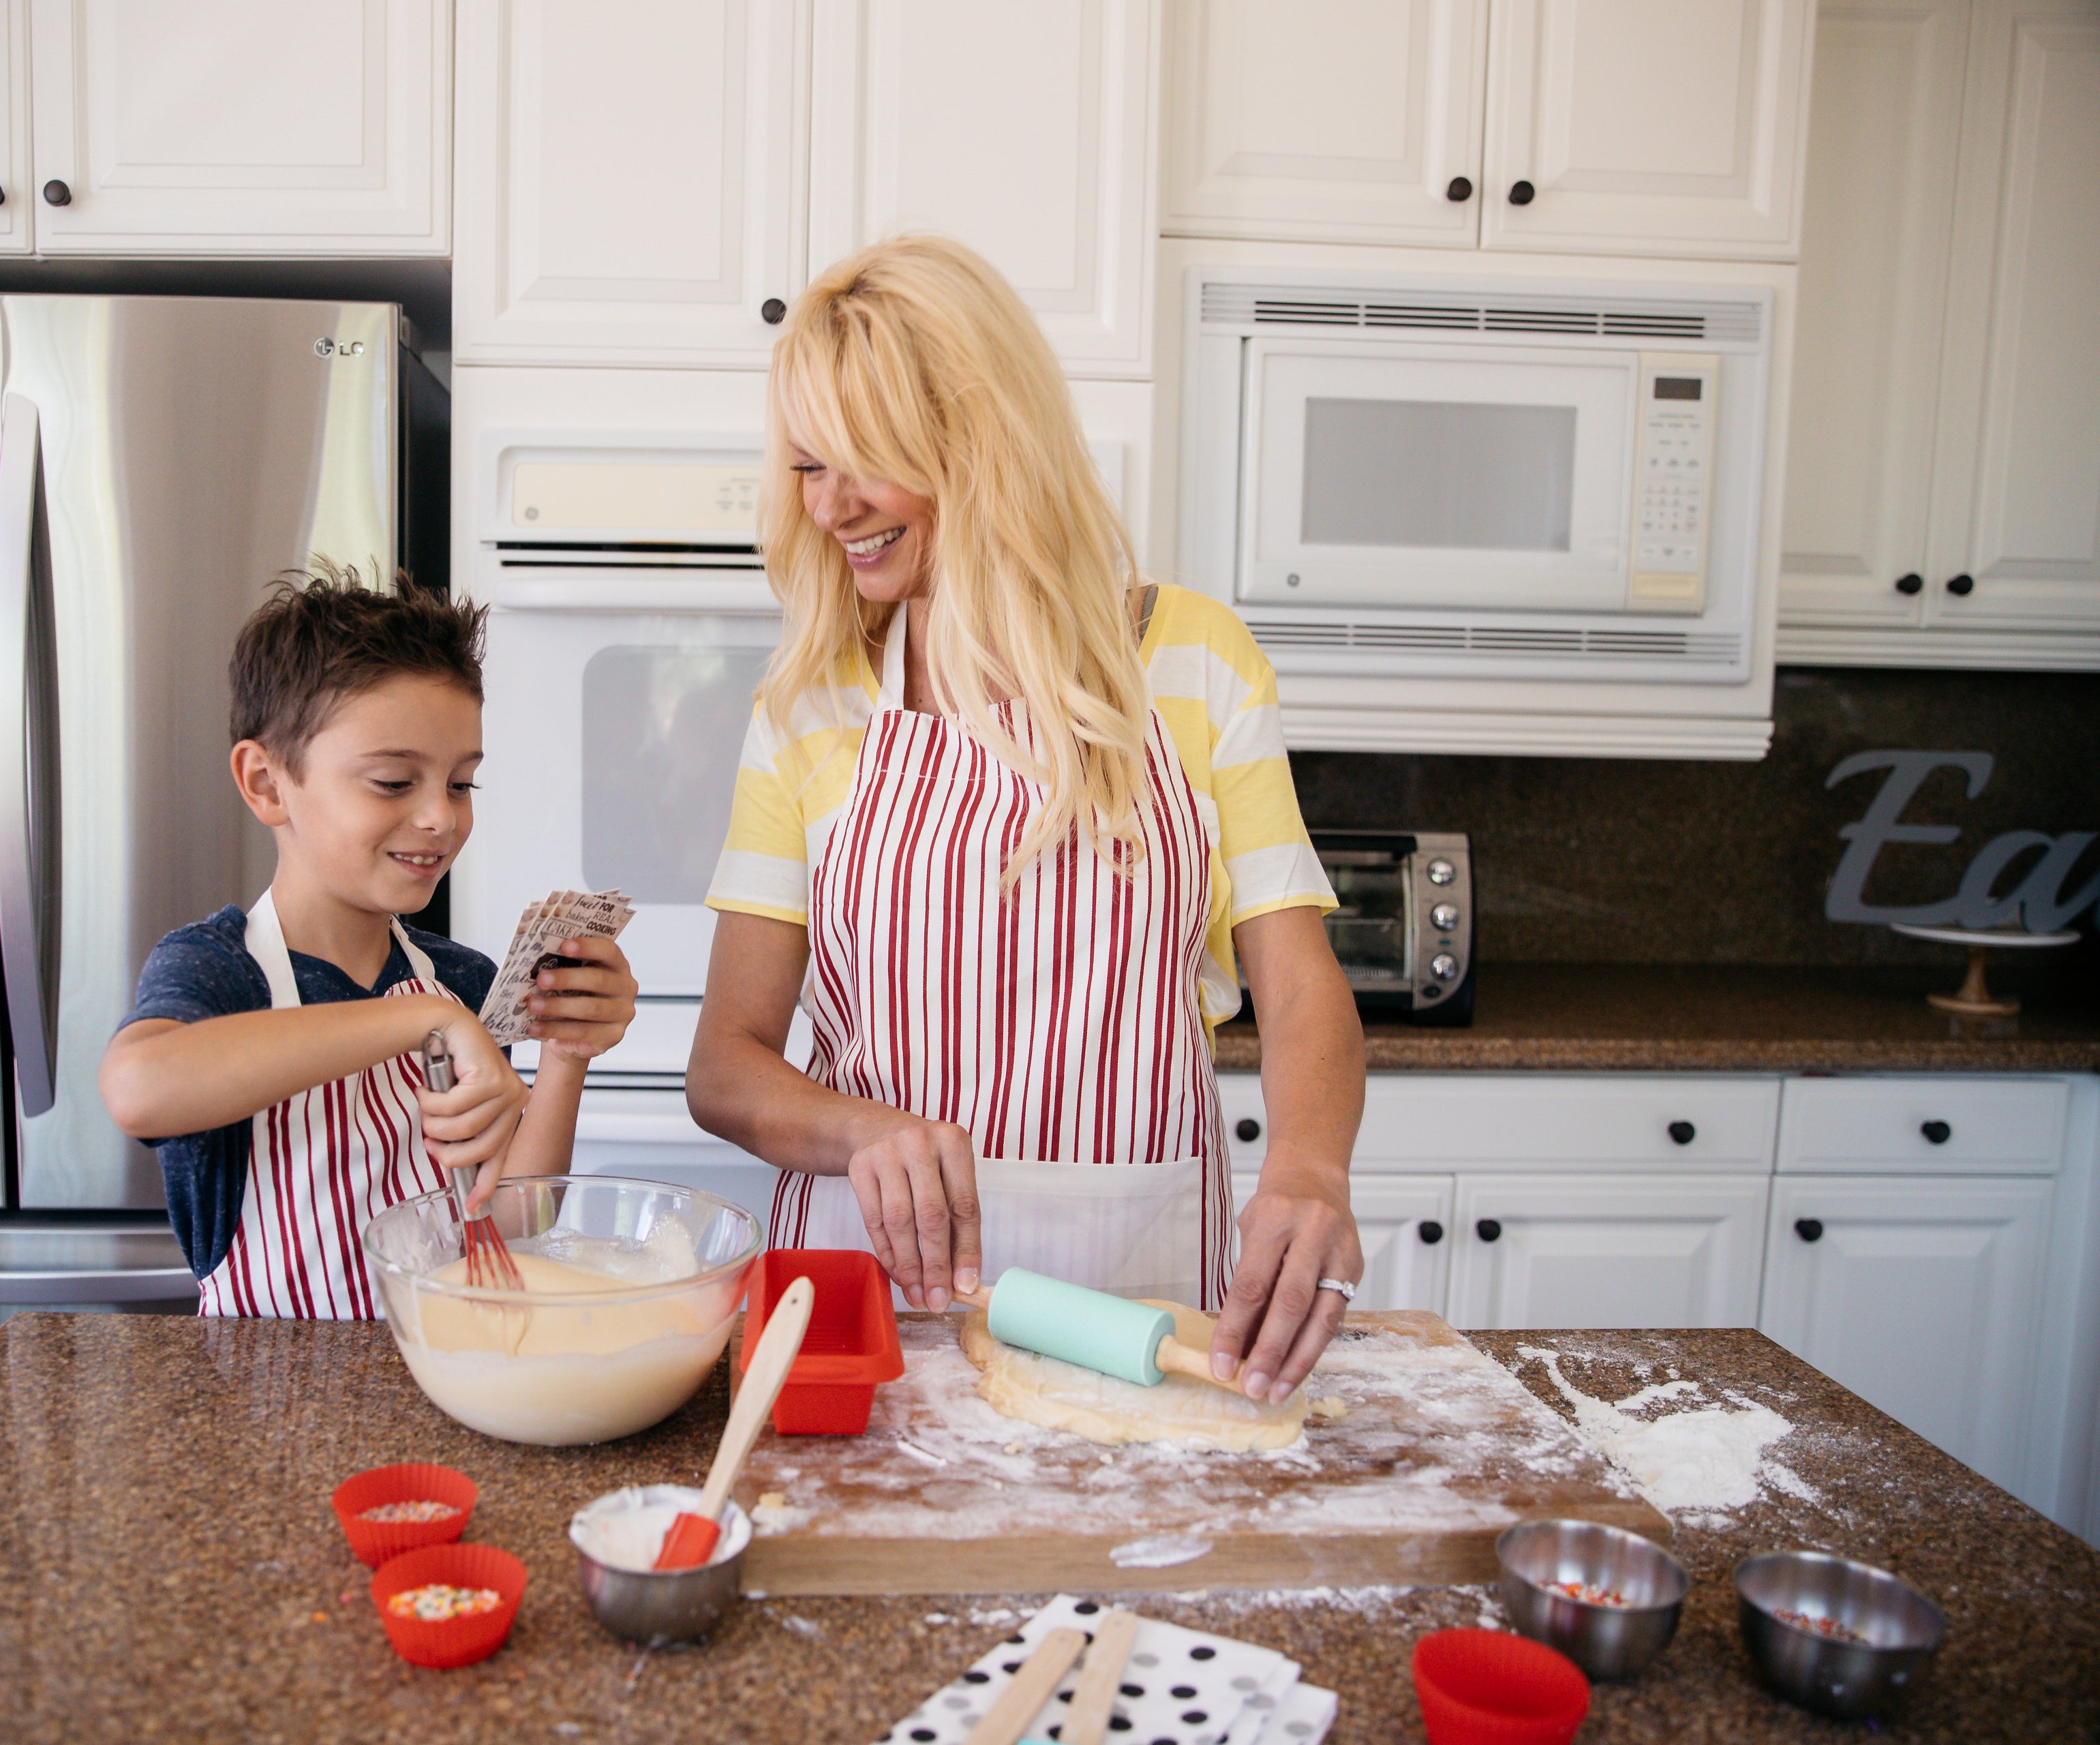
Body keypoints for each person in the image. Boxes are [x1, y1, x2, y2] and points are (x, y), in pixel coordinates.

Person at [687, 237, 1367, 1403]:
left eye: (864, 462)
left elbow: (1299, 982)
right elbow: (725, 1063)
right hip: (874, 1304)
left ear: (979, 442)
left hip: (1140, 1292)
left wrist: (1308, 1165)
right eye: (807, 467)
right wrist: (865, 1134)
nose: (831, 506)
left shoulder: (1193, 663)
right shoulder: (810, 707)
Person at [100, 565, 638, 1316]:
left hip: (451, 1385)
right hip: (269, 1417)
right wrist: (421, 1021)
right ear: (266, 783)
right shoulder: (223, 971)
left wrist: (565, 1050)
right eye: (393, 782)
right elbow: (138, 1090)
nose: (440, 819)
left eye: (460, 784)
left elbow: (511, 1223)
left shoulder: (460, 979)